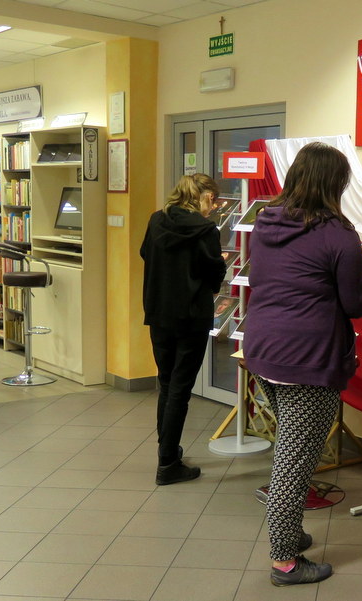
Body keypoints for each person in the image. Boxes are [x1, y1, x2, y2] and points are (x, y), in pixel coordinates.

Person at [243, 142, 362, 586]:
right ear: (335, 184)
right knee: (295, 460)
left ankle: (291, 532)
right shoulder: (339, 235)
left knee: (290, 447)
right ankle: (285, 561)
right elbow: (355, 304)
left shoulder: (266, 223)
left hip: (263, 348)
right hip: (308, 357)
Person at [140, 173, 226, 485]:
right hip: (191, 315)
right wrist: (217, 268)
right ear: (206, 197)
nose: (213, 207)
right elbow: (213, 272)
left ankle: (168, 451)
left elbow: (145, 254)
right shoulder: (205, 229)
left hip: (158, 312)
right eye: (213, 200)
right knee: (180, 388)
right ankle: (168, 464)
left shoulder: (156, 220)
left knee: (166, 383)